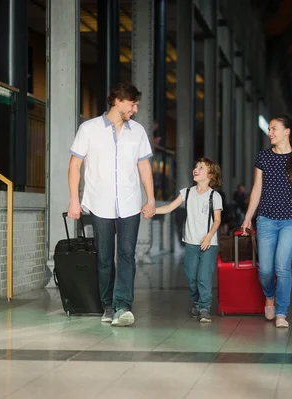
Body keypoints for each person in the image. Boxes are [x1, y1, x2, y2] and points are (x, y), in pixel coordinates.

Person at [67, 82, 155, 327]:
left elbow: (144, 167)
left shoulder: (137, 132)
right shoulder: (89, 129)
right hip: (99, 203)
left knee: (127, 255)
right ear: (117, 100)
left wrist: (151, 198)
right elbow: (75, 165)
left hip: (129, 203)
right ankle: (107, 305)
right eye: (132, 103)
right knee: (105, 257)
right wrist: (74, 200)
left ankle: (123, 306)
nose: (135, 109)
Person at [241, 115, 292, 328]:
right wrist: (248, 218)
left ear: (287, 131)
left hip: (291, 219)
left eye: (274, 128)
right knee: (265, 269)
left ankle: (281, 311)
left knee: (282, 267)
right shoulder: (263, 157)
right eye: (269, 129)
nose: (270, 133)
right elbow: (257, 189)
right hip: (266, 219)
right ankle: (269, 295)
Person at [149, 158, 223, 322]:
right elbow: (169, 207)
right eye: (195, 167)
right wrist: (152, 211)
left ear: (210, 174)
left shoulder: (214, 196)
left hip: (209, 243)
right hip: (191, 242)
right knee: (191, 276)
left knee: (204, 276)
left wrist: (209, 235)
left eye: (201, 168)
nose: (196, 169)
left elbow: (217, 220)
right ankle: (197, 302)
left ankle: (204, 307)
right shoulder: (187, 192)